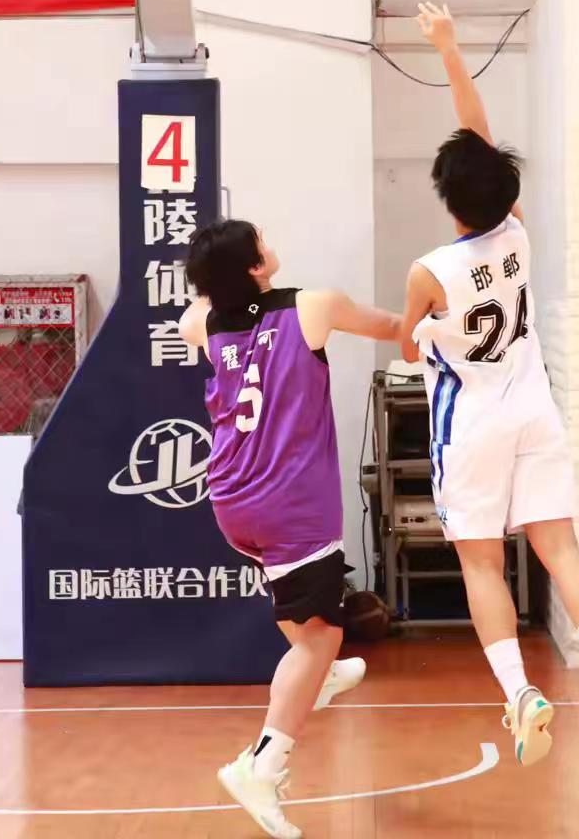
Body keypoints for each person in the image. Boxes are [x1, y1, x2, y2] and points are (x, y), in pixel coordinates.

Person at [400, 3, 579, 768]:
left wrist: (421, 332)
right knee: (561, 547)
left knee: (481, 562)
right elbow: (478, 134)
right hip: (535, 406)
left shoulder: (430, 270)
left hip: (472, 423)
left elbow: (407, 343)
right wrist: (450, 50)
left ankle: (521, 695)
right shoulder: (518, 230)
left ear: (446, 200)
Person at [180, 220, 399, 839]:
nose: (268, 243)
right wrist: (439, 318)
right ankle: (261, 765)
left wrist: (217, 282)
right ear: (255, 265)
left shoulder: (203, 324)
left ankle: (319, 677)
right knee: (320, 637)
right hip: (291, 504)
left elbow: (195, 310)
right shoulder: (314, 306)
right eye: (259, 241)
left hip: (232, 500)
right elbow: (394, 328)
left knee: (304, 623)